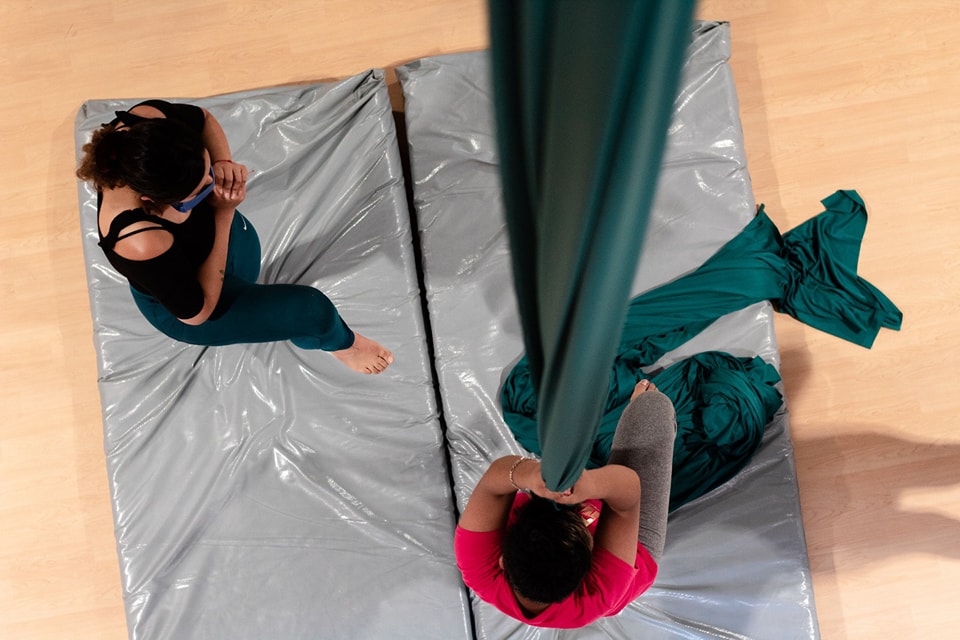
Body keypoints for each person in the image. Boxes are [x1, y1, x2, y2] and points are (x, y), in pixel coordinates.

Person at [76, 99, 393, 374]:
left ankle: (308, 330)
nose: (212, 186)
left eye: (207, 172)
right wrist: (223, 214)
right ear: (152, 202)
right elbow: (198, 313)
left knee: (257, 275)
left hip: (215, 245)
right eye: (197, 193)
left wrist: (224, 163)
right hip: (192, 300)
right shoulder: (138, 238)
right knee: (314, 311)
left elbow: (204, 119)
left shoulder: (149, 124)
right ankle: (343, 345)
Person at [455, 379, 676, 628]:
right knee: (653, 408)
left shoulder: (479, 569)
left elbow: (493, 482)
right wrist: (590, 483)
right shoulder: (600, 593)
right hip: (635, 553)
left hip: (567, 540)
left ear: (502, 561)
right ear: (589, 566)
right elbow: (628, 494)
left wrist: (531, 474)